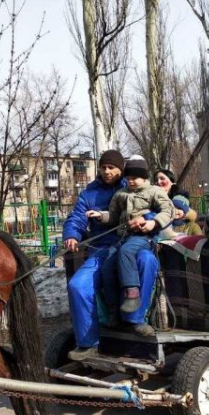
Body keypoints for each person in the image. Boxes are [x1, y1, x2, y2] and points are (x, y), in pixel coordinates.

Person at [62, 151, 160, 360]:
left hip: (133, 244)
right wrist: (72, 234)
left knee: (148, 260)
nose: (107, 171)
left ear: (121, 169)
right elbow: (77, 218)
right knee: (77, 286)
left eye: (111, 167)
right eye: (103, 167)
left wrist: (147, 219)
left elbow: (156, 209)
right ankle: (88, 343)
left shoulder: (134, 185)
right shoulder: (89, 194)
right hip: (102, 249)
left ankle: (135, 320)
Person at [87, 156, 174, 336]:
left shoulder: (154, 191)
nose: (130, 181)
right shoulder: (121, 194)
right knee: (108, 267)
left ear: (144, 177)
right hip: (122, 237)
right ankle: (114, 311)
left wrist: (153, 223)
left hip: (143, 237)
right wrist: (100, 216)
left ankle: (132, 294)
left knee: (128, 252)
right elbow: (113, 216)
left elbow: (168, 211)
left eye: (135, 178)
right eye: (128, 178)